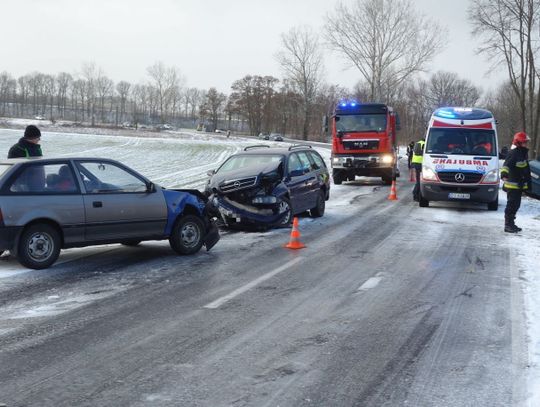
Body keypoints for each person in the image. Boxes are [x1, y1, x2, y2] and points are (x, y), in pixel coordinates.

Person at [500, 131, 532, 233]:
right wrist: (504, 175)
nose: (526, 144)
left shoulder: (522, 154)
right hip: (512, 185)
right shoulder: (514, 153)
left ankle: (511, 224)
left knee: (516, 205)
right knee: (511, 205)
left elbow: (525, 170)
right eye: (524, 142)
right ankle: (508, 225)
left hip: (519, 185)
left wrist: (527, 184)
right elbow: (506, 165)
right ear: (518, 142)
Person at [411, 137, 425, 201]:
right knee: (420, 180)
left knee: (418, 180)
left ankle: (416, 194)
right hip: (420, 163)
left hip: (415, 163)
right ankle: (416, 193)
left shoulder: (417, 143)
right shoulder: (424, 144)